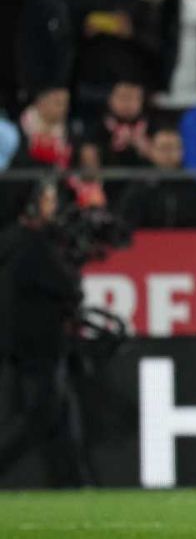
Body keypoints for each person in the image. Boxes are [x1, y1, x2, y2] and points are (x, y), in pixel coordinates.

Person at [0, 178, 91, 487]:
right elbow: (68, 287)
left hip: (26, 346)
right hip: (38, 347)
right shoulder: (32, 245)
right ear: (32, 204)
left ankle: (75, 484)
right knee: (39, 419)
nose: (54, 207)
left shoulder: (13, 241)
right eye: (49, 200)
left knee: (62, 420)